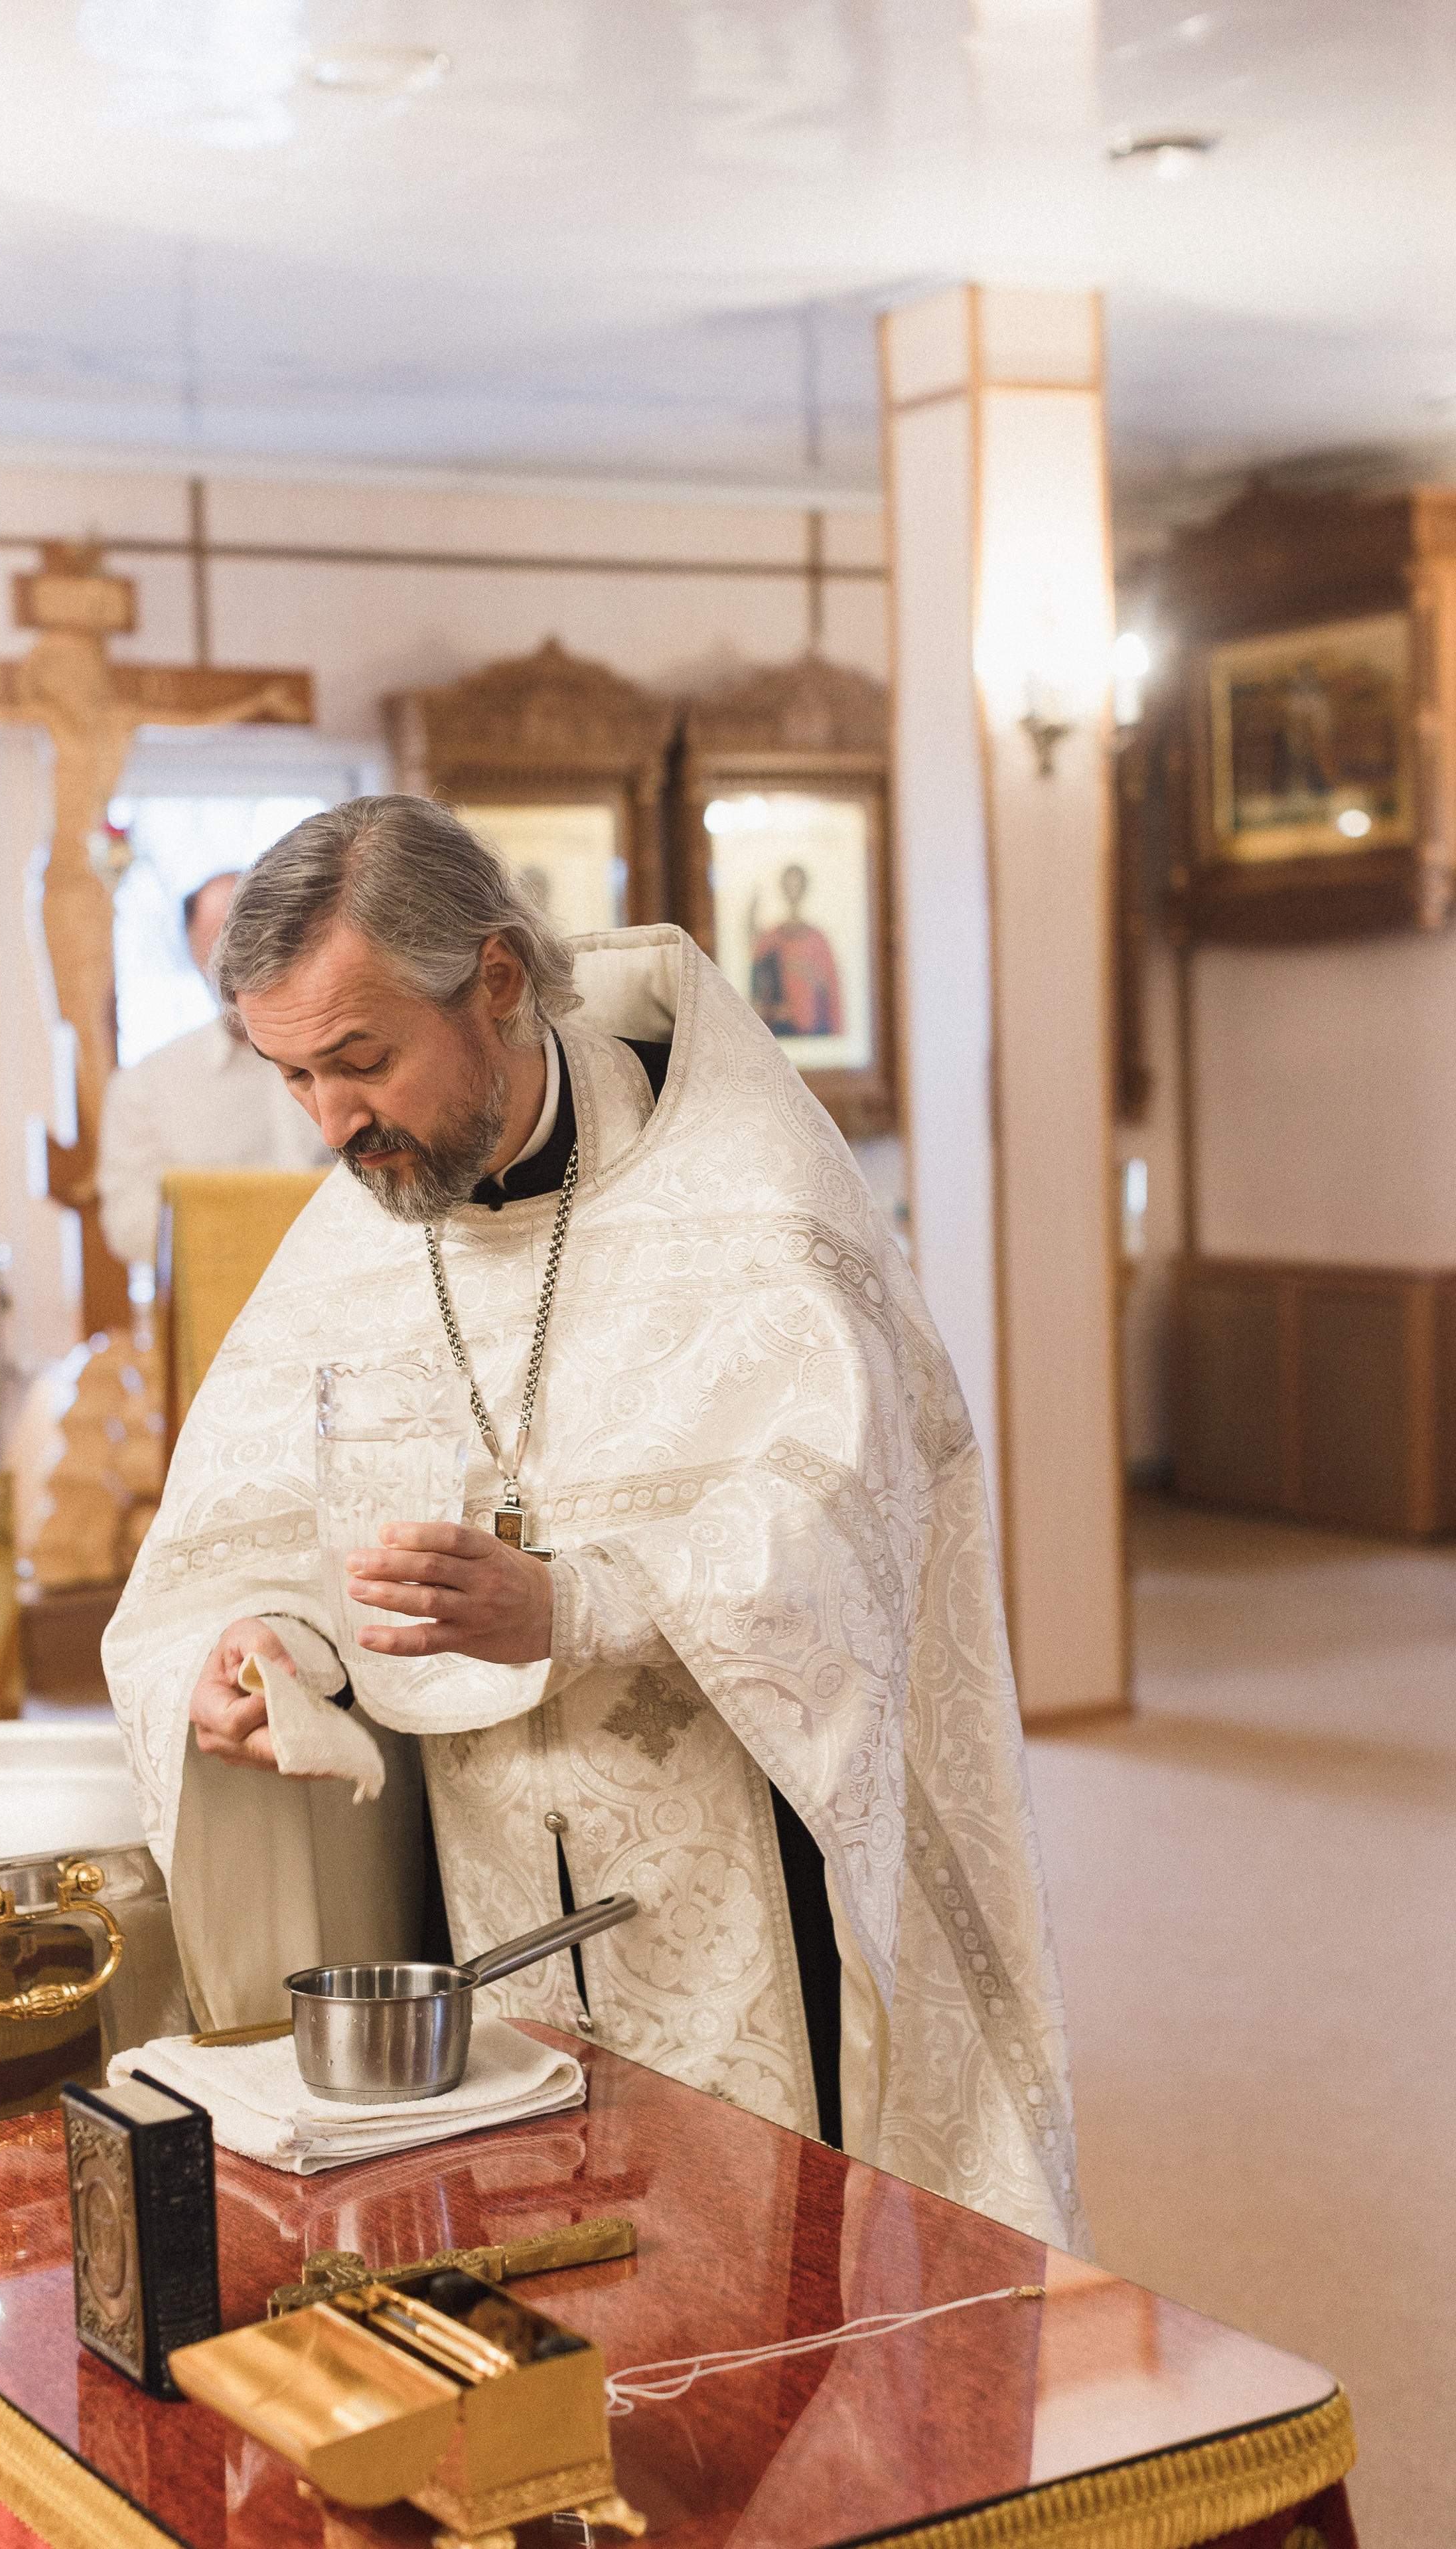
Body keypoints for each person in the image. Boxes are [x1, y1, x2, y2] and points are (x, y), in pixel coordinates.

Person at [102, 797, 1086, 2250]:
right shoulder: (349, 1234)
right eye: (293, 1076)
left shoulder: (749, 1194)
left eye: (361, 1061)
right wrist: (255, 1650)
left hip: (748, 1861)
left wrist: (574, 1606)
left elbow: (847, 1522)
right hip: (473, 1883)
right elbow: (230, 1545)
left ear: (495, 981)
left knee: (774, 2290)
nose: (332, 1126)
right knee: (532, 2263)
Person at [97, 869, 330, 1267]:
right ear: (193, 950)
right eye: (223, 938)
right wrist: (243, 1225)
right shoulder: (147, 1087)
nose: (244, 959)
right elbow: (129, 1226)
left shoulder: (340, 1058)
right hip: (216, 1300)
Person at [749, 862, 844, 1037]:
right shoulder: (772, 936)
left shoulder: (818, 939)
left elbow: (830, 988)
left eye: (797, 885)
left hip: (813, 1028)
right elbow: (759, 969)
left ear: (804, 889)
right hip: (781, 1026)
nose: (793, 891)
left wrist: (807, 972)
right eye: (789, 885)